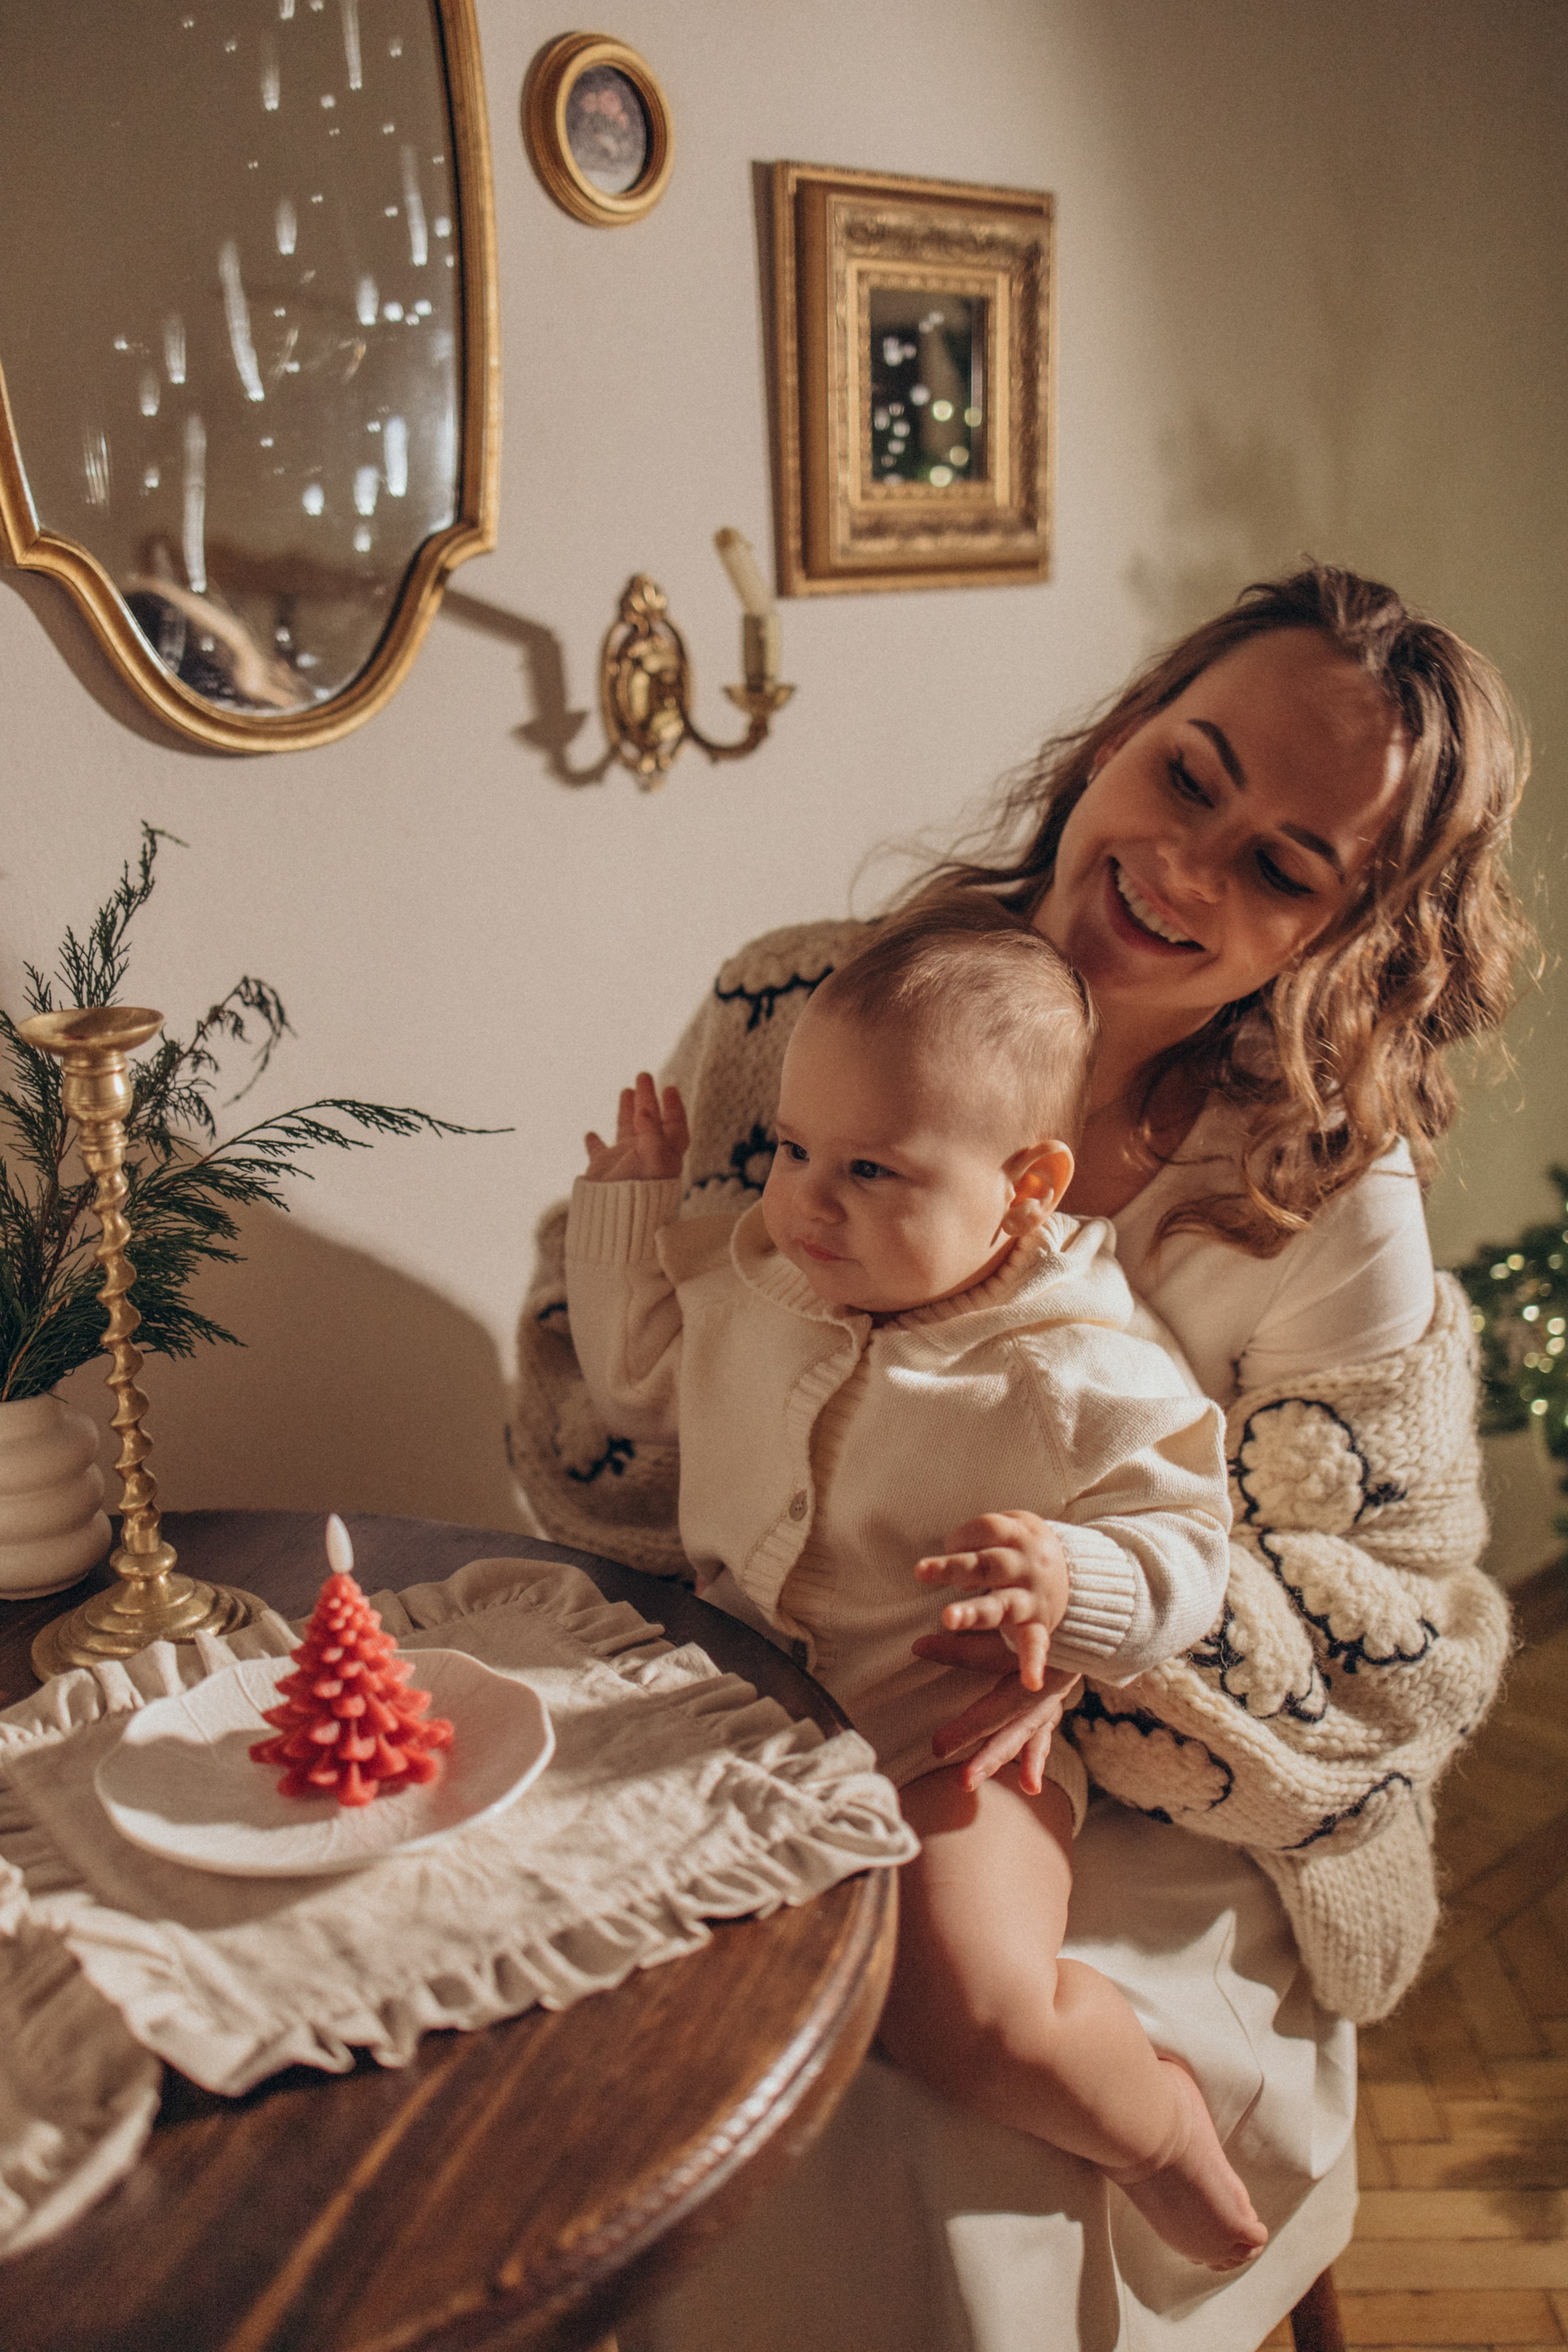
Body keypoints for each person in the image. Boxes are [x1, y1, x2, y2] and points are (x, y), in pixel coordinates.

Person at [512, 564, 1529, 2346]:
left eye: (1287, 866)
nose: (1188, 866)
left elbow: (1389, 1630)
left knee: (878, 2133)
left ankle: (1175, 2167)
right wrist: (629, 1261)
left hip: (1135, 1783)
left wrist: (1084, 1637)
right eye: (1190, 775)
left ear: (1346, 933)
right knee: (575, 2001)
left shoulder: (1315, 1186)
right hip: (773, 1682)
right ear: (1120, 737)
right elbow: (622, 1421)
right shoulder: (800, 1017)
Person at [566, 905, 1265, 2269]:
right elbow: (632, 1381)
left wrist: (1076, 1582)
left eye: (874, 1169)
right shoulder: (762, 1282)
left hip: (939, 1740)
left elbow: (1192, 1545)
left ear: (1028, 1185)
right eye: (790, 1149)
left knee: (965, 2008)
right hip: (739, 1716)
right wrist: (627, 1209)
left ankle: (1157, 2127)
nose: (807, 1199)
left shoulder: (1073, 1367)